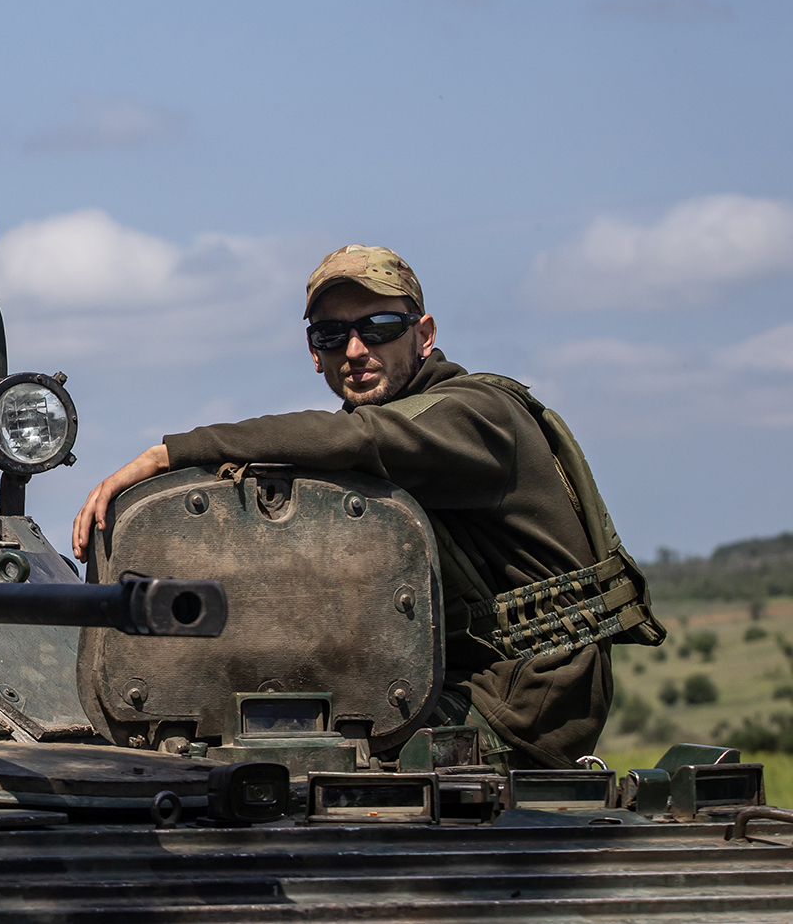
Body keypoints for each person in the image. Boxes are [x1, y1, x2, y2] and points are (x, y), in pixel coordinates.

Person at [70, 244, 663, 771]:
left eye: (379, 327)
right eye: (332, 335)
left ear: (423, 334)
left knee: (312, 776)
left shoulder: (475, 415)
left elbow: (359, 438)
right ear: (314, 352)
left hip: (519, 699)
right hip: (451, 680)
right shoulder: (378, 440)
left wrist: (172, 453)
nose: (355, 350)